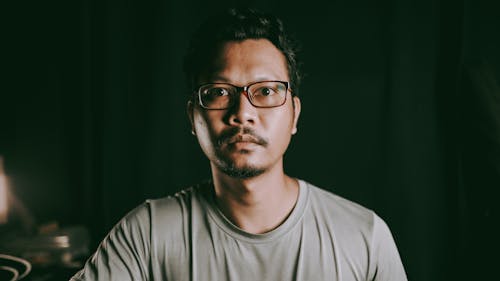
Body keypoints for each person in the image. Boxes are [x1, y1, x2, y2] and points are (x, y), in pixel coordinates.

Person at [71, 8, 407, 281]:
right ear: (193, 117)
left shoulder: (363, 238)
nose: (242, 113)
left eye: (265, 91)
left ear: (294, 115)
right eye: (219, 92)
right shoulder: (146, 235)